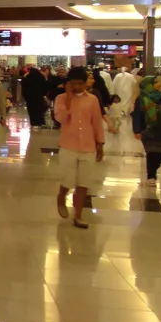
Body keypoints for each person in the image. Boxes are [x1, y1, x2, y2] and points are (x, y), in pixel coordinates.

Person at [54, 66, 105, 229]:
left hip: (88, 146)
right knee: (67, 180)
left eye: (80, 84)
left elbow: (96, 122)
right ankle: (61, 196)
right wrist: (69, 99)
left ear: (85, 83)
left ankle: (78, 215)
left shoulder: (92, 100)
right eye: (73, 84)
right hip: (68, 145)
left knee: (83, 182)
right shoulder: (61, 98)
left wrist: (100, 144)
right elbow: (60, 118)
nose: (77, 87)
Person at [132, 75, 161, 185]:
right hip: (148, 130)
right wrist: (137, 130)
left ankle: (153, 171)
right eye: (156, 82)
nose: (159, 84)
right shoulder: (142, 98)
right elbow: (137, 115)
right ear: (148, 85)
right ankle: (151, 176)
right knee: (151, 153)